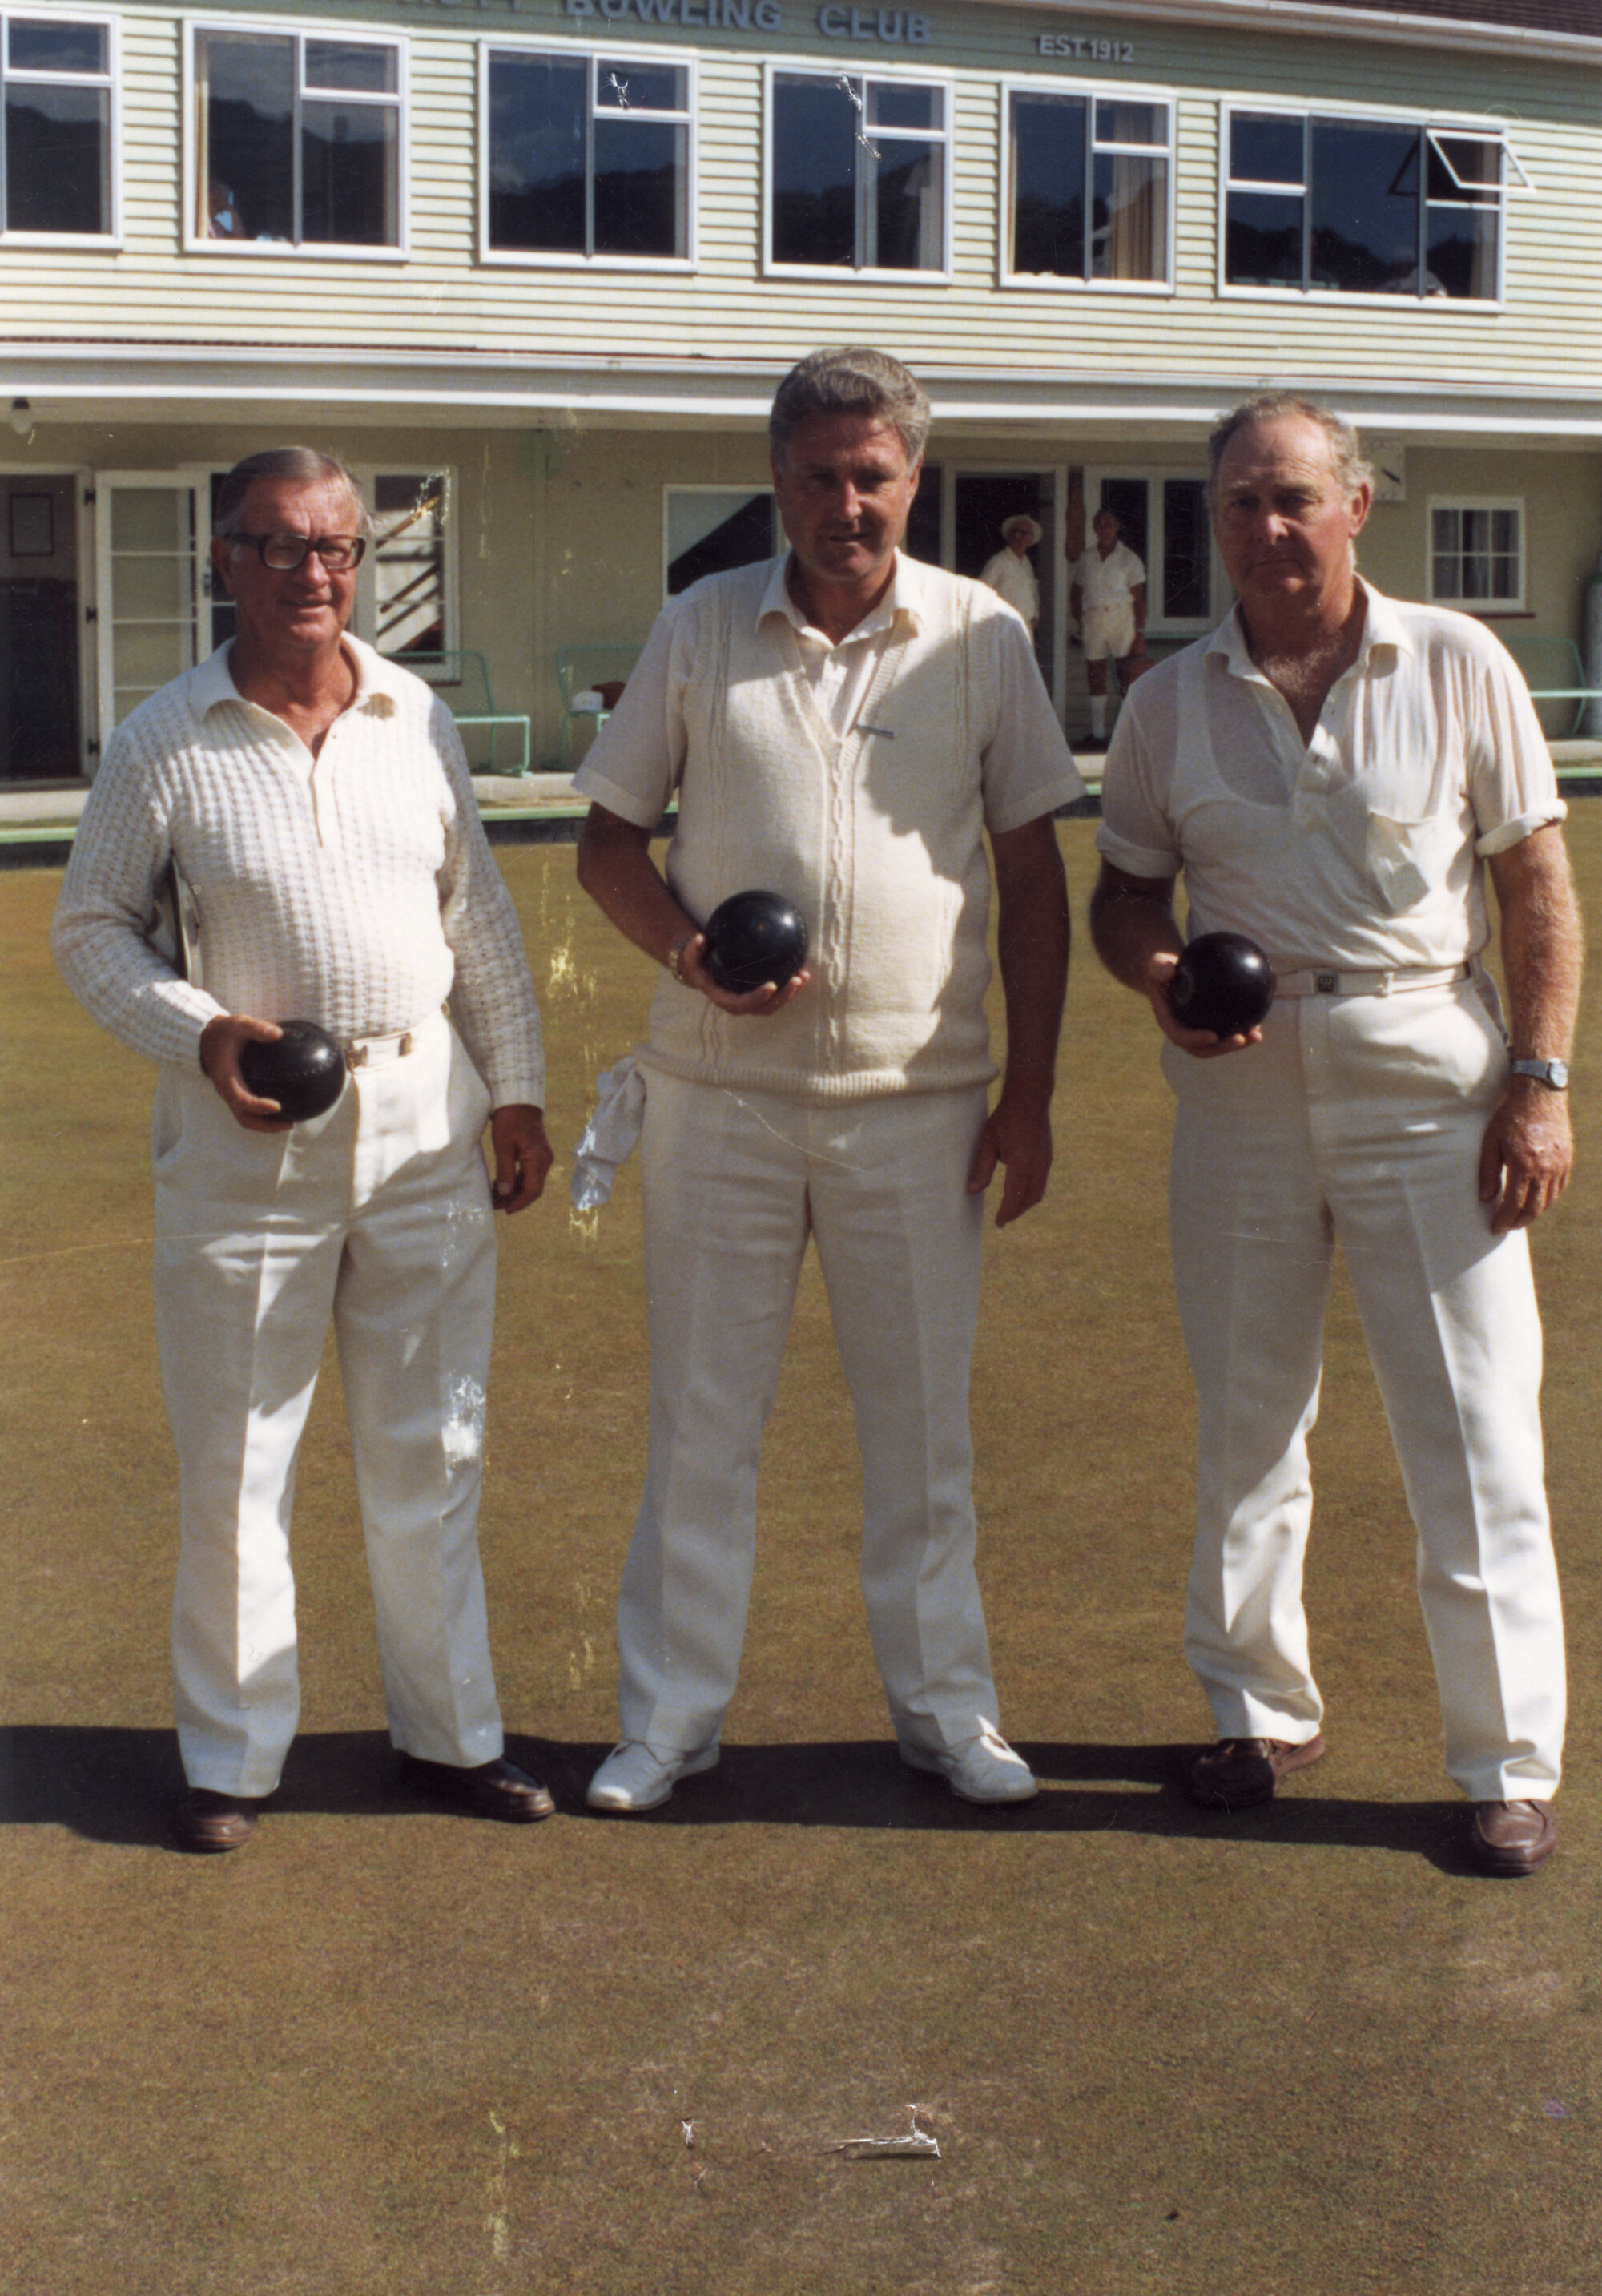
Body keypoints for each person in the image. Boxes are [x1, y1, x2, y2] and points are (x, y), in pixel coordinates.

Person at [571, 347, 1081, 1813]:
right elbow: (610, 842)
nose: (844, 503)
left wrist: (1029, 1093)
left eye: (872, 476)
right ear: (776, 478)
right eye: (816, 476)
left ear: (913, 479)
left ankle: (947, 1711)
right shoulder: (700, 625)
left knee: (923, 1430)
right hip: (718, 1099)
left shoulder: (983, 636)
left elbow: (1034, 879)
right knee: (701, 1422)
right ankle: (669, 1718)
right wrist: (685, 955)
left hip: (919, 1107)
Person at [1089, 393, 1581, 1878]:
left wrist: (1543, 1081)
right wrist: (1159, 972)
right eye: (1240, 503)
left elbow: (1536, 887)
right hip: (1237, 1092)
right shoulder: (1169, 700)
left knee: (1475, 1425)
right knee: (1247, 1419)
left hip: (1431, 1078)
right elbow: (1124, 893)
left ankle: (1504, 1759)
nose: (1267, 527)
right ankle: (1258, 1709)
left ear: (1358, 505)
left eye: (1294, 497)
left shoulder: (1454, 660)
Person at [53, 448, 556, 1852]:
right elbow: (90, 928)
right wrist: (198, 1029)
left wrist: (514, 1092)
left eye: (336, 547)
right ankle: (230, 1759)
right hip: (243, 1132)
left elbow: (479, 919)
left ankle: (451, 1739)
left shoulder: (414, 716)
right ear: (226, 562)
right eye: (279, 547)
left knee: (432, 1447)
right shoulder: (166, 736)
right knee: (236, 1460)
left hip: (422, 1124)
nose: (314, 573)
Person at [1070, 508, 1146, 748]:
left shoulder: (1129, 558)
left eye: (1110, 524)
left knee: (1126, 676)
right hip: (1094, 621)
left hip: (1122, 621)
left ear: (1117, 528)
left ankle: (1125, 737)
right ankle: (1099, 735)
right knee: (1095, 674)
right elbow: (1077, 588)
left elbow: (1139, 599)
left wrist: (1140, 633)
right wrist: (1078, 614)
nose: (1105, 529)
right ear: (1094, 528)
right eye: (1100, 524)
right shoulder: (1086, 557)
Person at [980, 513, 1042, 631]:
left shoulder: (1026, 563)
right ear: (1010, 534)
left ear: (1031, 539)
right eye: (1018, 532)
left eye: (1027, 534)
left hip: (1025, 627)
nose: (1022, 537)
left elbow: (1033, 591)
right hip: (1003, 627)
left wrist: (1035, 615)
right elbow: (982, 592)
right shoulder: (999, 561)